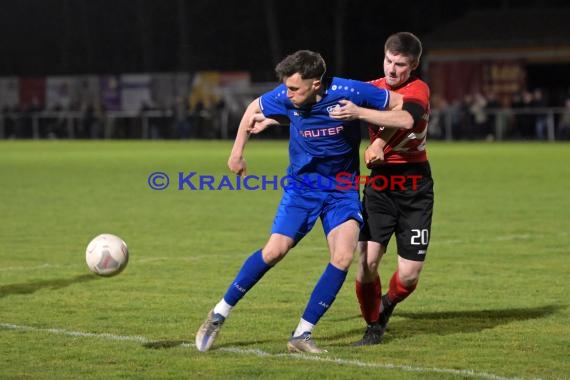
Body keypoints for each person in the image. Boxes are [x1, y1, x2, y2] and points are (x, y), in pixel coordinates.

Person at [195, 50, 410, 354]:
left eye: (295, 88)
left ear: (317, 84)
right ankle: (218, 313)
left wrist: (376, 138)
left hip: (342, 190)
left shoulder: (350, 92)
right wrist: (236, 153)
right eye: (286, 87)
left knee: (343, 257)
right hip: (302, 188)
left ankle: (302, 334)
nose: (288, 93)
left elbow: (401, 107)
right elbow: (252, 109)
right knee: (274, 251)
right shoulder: (285, 96)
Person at [330, 32, 434, 345]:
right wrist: (272, 117)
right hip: (380, 184)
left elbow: (405, 119)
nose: (392, 69)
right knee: (365, 265)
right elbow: (324, 106)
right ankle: (374, 324)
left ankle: (387, 302)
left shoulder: (418, 89)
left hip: (415, 186)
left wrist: (363, 119)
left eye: (400, 64)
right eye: (388, 60)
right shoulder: (372, 89)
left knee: (409, 275)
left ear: (413, 65)